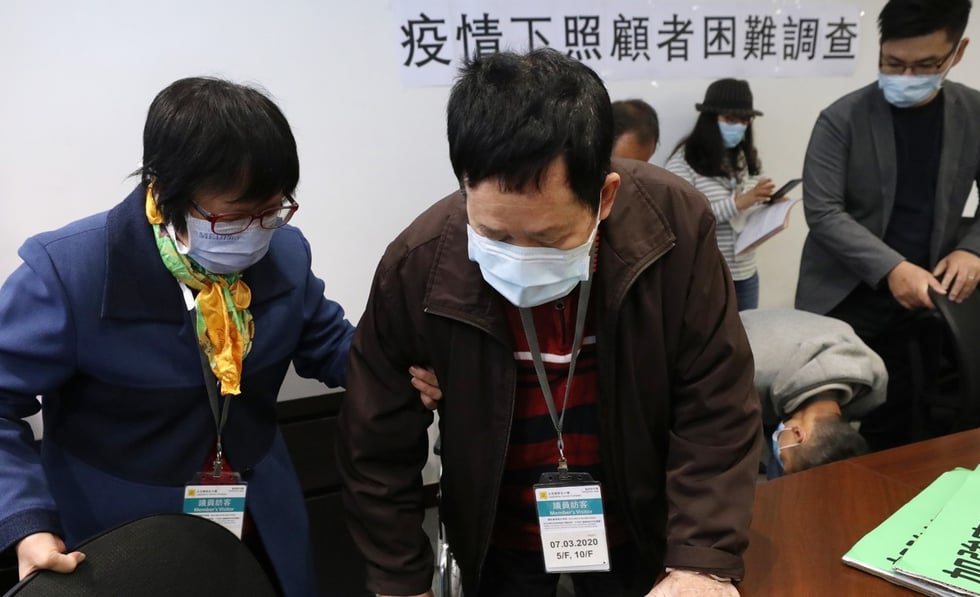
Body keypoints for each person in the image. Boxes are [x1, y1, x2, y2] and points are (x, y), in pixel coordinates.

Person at [336, 49, 761, 597]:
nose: (519, 256)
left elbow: (717, 401)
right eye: (495, 235)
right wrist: (402, 581)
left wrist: (702, 560)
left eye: (547, 238)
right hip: (499, 531)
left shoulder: (673, 230)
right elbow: (375, 439)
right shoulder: (421, 262)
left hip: (640, 525)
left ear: (604, 196)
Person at [0, 77, 438, 597]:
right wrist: (26, 521)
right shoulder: (69, 272)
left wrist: (403, 371)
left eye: (271, 211)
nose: (255, 232)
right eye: (231, 220)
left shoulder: (285, 254)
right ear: (164, 191)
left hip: (259, 507)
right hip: (119, 525)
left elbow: (333, 346)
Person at [796, 0, 980, 450]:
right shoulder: (842, 119)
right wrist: (891, 268)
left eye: (923, 66)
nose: (904, 78)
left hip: (923, 297)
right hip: (845, 297)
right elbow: (822, 210)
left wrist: (975, 248)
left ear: (957, 52)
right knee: (825, 425)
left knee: (902, 415)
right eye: (892, 63)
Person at [664, 79, 777, 311]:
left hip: (746, 272)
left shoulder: (746, 157)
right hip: (707, 276)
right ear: (709, 119)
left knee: (749, 338)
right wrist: (737, 203)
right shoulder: (683, 162)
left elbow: (753, 203)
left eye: (745, 121)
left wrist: (770, 203)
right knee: (710, 344)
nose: (739, 127)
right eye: (730, 120)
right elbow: (684, 220)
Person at [739, 309, 886, 479]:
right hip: (753, 338)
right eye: (782, 458)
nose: (779, 457)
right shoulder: (746, 371)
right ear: (797, 433)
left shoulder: (873, 386)